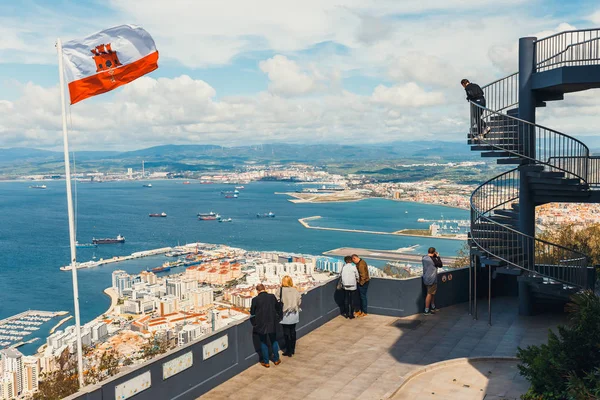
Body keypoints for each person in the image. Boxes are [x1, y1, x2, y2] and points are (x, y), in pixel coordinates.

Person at [250, 283, 282, 367]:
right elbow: (278, 307)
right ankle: (276, 359)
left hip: (261, 324)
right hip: (272, 322)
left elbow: (252, 312)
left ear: (257, 290)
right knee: (273, 340)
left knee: (263, 342)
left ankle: (266, 362)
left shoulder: (255, 300)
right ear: (264, 288)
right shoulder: (272, 297)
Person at [276, 275, 302, 357]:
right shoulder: (295, 290)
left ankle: (288, 350)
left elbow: (276, 301)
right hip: (294, 313)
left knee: (286, 332)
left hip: (284, 314)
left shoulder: (280, 290)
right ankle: (292, 349)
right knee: (293, 331)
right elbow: (299, 301)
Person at [422, 247, 443, 315]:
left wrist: (434, 256)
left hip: (425, 278)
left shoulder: (424, 258)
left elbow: (429, 257)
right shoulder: (433, 260)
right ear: (434, 252)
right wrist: (438, 257)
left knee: (432, 293)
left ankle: (433, 307)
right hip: (432, 279)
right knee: (429, 294)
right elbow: (440, 265)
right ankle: (426, 310)